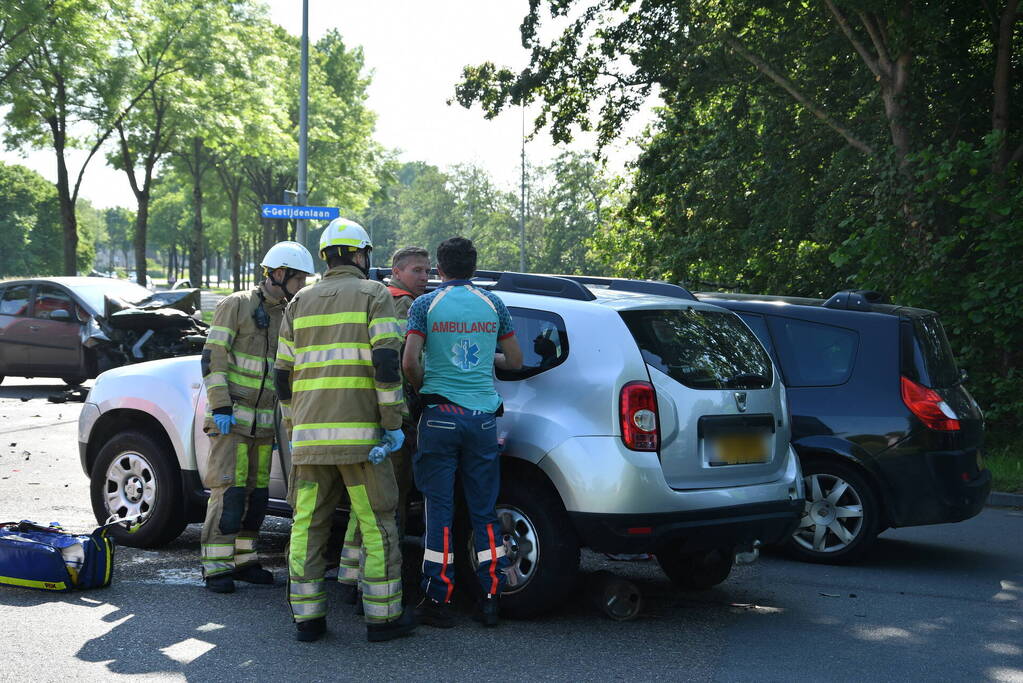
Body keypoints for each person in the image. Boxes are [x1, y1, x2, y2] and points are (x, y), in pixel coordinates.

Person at [276, 217, 416, 643]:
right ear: (359, 254)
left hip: (310, 442)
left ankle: (308, 620)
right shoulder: (375, 295)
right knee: (376, 525)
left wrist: (294, 423)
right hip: (364, 443)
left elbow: (283, 376)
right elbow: (387, 366)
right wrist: (393, 424)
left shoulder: (298, 301)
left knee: (307, 527)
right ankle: (383, 618)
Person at [403, 236, 523, 628]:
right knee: (484, 510)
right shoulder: (494, 304)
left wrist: (423, 389)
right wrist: (486, 353)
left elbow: (408, 361)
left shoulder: (425, 304)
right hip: (482, 419)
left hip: (439, 416)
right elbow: (516, 361)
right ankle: (491, 597)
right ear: (474, 267)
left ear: (440, 269)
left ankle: (439, 599)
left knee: (439, 511)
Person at [200, 240, 315, 594]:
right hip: (231, 419)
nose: (302, 286)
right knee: (229, 491)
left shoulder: (287, 312)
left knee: (257, 494)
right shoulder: (236, 305)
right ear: (279, 274)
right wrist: (220, 405)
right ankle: (216, 565)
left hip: (265, 423)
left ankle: (244, 559)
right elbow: (213, 356)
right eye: (299, 279)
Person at [337, 246, 430, 602]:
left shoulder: (368, 298)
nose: (424, 277)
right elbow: (406, 362)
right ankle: (377, 583)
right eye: (417, 270)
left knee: (364, 504)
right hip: (394, 417)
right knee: (390, 504)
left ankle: (350, 576)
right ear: (396, 270)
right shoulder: (404, 304)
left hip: (361, 414)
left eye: (427, 271)